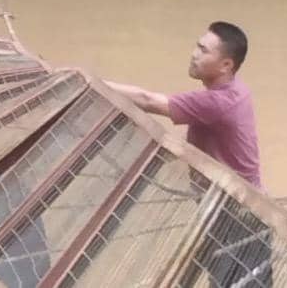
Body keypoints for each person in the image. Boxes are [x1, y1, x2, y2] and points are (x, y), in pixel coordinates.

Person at [104, 22, 272, 286]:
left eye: (204, 50)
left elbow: (147, 100)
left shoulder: (216, 103)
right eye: (197, 45)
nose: (194, 53)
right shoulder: (235, 90)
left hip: (236, 217)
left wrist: (89, 79)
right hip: (238, 210)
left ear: (226, 65)